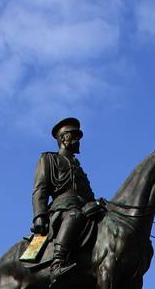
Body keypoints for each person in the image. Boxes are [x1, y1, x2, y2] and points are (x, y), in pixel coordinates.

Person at [27, 117, 105, 280]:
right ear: (63, 138)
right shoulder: (49, 159)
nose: (78, 140)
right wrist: (39, 216)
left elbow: (88, 195)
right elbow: (40, 189)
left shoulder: (79, 168)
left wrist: (97, 205)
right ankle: (57, 263)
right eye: (74, 135)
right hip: (62, 209)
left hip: (84, 208)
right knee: (74, 215)